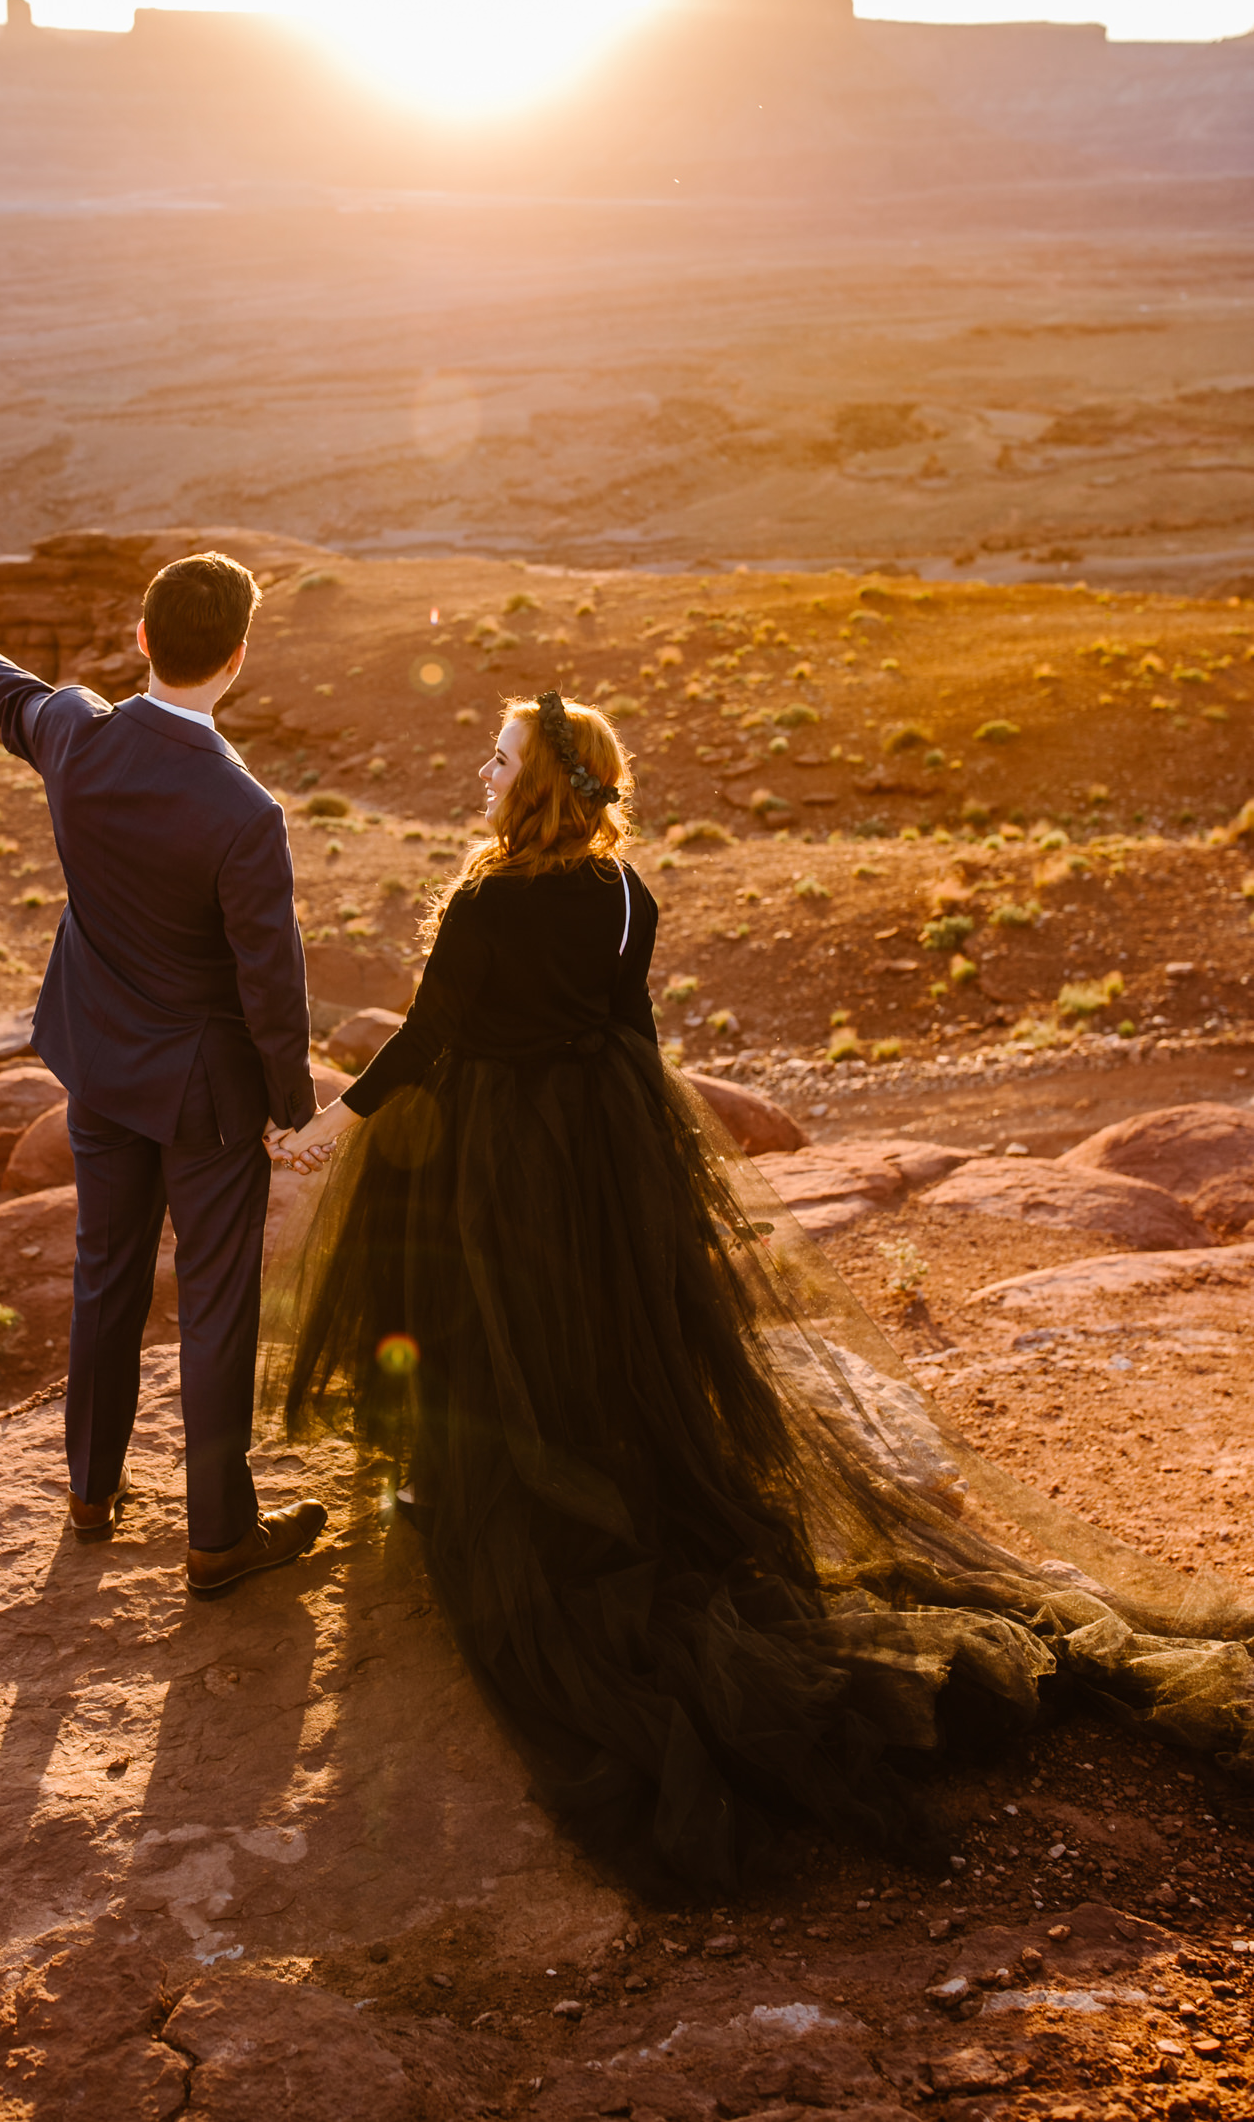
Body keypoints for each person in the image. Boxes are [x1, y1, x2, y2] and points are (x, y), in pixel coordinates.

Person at [263, 691, 1254, 1892]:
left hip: (496, 1146)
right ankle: (601, 1468)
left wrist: (332, 1122)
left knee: (483, 1317)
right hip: (605, 1144)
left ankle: (479, 1479)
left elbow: (427, 1034)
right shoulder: (630, 892)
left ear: (541, 782)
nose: (482, 769)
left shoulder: (486, 897)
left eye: (501, 757)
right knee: (598, 1326)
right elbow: (627, 1029)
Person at [0, 552, 327, 1594]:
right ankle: (217, 1538)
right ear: (237, 658)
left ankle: (91, 1490)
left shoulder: (77, 734)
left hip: (97, 1063)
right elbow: (272, 983)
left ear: (141, 637)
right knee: (215, 1303)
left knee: (105, 1270)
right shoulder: (243, 811)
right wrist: (291, 1108)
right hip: (203, 1095)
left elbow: (1, 686)